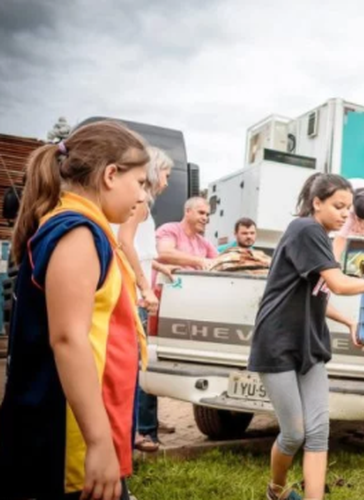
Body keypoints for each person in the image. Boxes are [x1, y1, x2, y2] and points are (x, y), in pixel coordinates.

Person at [0, 121, 150, 500]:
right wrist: (99, 442)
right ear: (111, 175)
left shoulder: (91, 231)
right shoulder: (77, 233)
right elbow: (68, 338)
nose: (143, 196)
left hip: (82, 429)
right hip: (65, 439)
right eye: (141, 182)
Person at [248, 172, 364, 500]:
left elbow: (320, 295)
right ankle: (277, 491)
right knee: (294, 433)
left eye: (348, 208)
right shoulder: (306, 229)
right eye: (338, 206)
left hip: (310, 343)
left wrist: (349, 323)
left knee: (318, 433)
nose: (345, 213)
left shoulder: (319, 237)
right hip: (278, 343)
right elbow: (339, 283)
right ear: (316, 203)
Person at [113, 146, 179, 453]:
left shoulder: (142, 204)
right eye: (166, 173)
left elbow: (140, 248)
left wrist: (160, 266)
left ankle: (135, 431)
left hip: (133, 288)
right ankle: (136, 433)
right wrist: (145, 287)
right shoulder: (140, 204)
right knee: (136, 365)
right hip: (132, 293)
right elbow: (124, 243)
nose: (167, 180)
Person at [155, 196, 218, 271]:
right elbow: (163, 253)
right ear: (187, 211)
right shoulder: (169, 229)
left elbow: (219, 261)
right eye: (201, 213)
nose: (205, 218)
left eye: (207, 215)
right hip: (168, 282)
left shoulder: (204, 242)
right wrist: (200, 261)